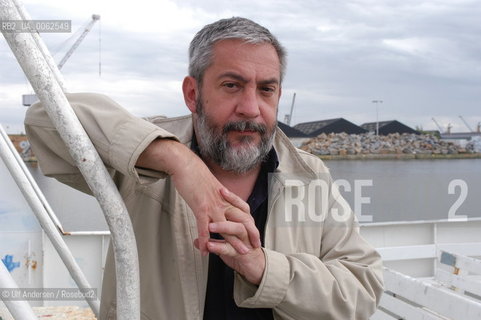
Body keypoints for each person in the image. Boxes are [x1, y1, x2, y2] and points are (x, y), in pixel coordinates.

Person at [25, 17, 383, 320]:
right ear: (193, 94)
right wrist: (178, 160)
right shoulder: (141, 161)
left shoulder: (309, 175)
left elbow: (362, 289)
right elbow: (44, 120)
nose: (250, 108)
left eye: (266, 90)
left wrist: (263, 269)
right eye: (232, 86)